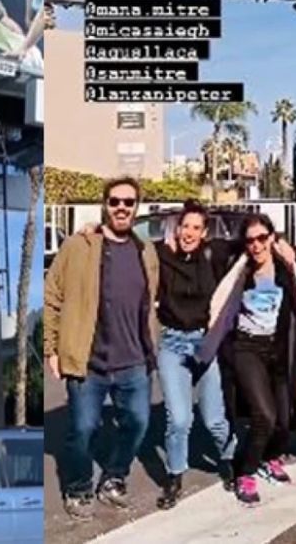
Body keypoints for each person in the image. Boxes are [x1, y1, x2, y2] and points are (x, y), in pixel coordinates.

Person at [44, 177, 158, 521]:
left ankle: (114, 477)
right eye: (114, 202)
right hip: (87, 361)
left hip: (134, 360)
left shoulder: (145, 249)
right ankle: (78, 487)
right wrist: (51, 348)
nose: (121, 207)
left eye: (128, 202)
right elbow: (53, 296)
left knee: (137, 423)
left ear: (136, 207)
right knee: (83, 430)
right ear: (104, 205)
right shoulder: (79, 246)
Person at [215, 214, 296, 506]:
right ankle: (244, 472)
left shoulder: (285, 268)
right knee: (264, 416)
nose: (256, 246)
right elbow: (214, 246)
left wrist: (291, 252)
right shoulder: (239, 269)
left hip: (278, 350)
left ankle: (271, 456)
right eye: (250, 240)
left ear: (272, 237)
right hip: (247, 348)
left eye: (262, 238)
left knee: (284, 420)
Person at [153, 201, 237, 509]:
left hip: (206, 343)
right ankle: (174, 476)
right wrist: (91, 230)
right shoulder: (161, 254)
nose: (189, 233)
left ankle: (229, 459)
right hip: (173, 344)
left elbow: (248, 244)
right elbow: (126, 242)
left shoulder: (213, 255)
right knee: (179, 419)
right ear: (177, 229)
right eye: (185, 226)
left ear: (204, 233)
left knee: (214, 419)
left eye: (195, 228)